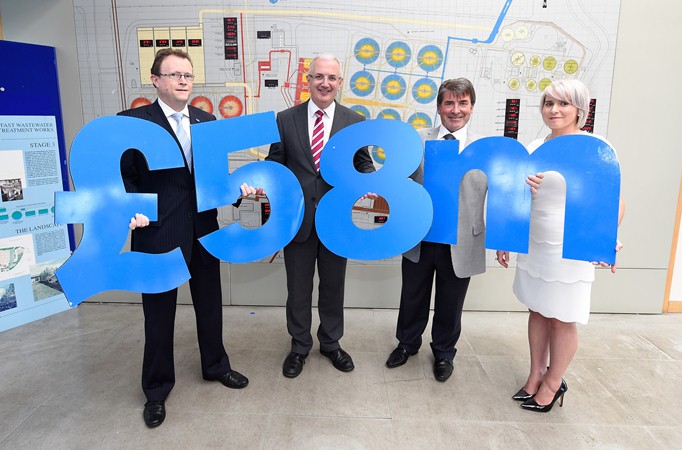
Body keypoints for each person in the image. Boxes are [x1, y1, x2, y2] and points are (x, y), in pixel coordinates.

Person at [120, 48, 259, 428]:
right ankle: (156, 390)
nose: (183, 81)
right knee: (158, 317)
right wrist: (127, 210)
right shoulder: (133, 123)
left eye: (187, 74)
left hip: (203, 231)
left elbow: (211, 181)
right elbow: (123, 177)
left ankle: (215, 366)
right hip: (158, 233)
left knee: (210, 306)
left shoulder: (206, 121)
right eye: (174, 74)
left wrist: (237, 192)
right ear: (156, 80)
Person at [496, 78, 624, 412]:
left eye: (563, 104)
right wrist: (508, 236)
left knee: (562, 318)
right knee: (537, 309)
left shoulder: (595, 147)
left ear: (579, 109)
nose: (554, 110)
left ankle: (554, 382)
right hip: (534, 243)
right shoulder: (536, 146)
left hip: (569, 247)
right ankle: (536, 372)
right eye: (548, 103)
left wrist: (605, 241)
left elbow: (614, 202)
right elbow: (516, 196)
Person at [266, 54, 375, 378]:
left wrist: (370, 183)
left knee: (333, 287)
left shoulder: (354, 121)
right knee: (297, 290)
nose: (325, 83)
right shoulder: (285, 119)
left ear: (340, 83)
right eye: (318, 77)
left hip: (336, 221)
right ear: (308, 80)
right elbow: (276, 169)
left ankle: (330, 343)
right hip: (297, 223)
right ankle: (299, 346)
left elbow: (363, 163)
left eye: (332, 78)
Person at [385, 78, 486, 382]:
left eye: (462, 103)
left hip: (461, 238)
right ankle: (407, 343)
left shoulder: (483, 148)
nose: (456, 110)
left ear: (471, 106)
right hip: (421, 234)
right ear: (439, 107)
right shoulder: (417, 140)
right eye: (449, 103)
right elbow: (398, 182)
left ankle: (444, 352)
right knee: (412, 294)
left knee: (450, 300)